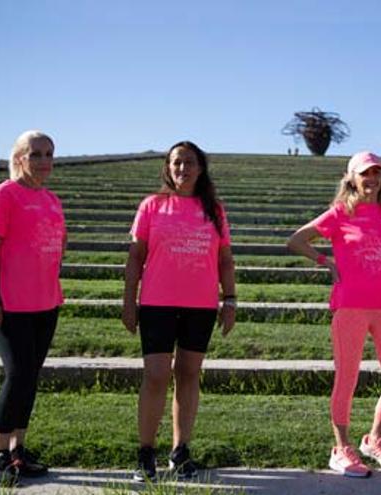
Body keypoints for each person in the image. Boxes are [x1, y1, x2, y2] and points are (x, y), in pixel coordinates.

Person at [287, 151, 381, 478]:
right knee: (347, 378)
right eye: (365, 174)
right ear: (352, 179)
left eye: (377, 174)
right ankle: (341, 448)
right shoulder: (338, 214)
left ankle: (375, 438)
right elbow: (297, 240)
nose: (372, 179)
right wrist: (326, 262)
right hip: (349, 306)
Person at [122, 141, 236, 482]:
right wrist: (129, 301)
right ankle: (145, 454)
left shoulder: (214, 210)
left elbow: (225, 260)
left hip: (200, 305)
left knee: (188, 375)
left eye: (189, 162)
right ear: (168, 168)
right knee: (156, 375)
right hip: (157, 303)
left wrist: (229, 300)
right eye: (176, 163)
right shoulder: (152, 206)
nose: (182, 168)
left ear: (200, 168)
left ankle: (180, 450)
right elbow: (135, 257)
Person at [0, 130, 65, 486]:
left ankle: (18, 451)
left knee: (30, 377)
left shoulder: (52, 200)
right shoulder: (3, 195)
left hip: (46, 304)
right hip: (10, 306)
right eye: (36, 155)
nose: (44, 161)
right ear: (19, 158)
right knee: (17, 375)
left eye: (49, 154)